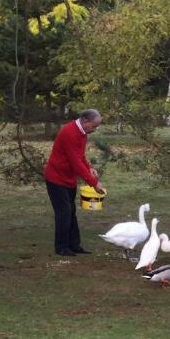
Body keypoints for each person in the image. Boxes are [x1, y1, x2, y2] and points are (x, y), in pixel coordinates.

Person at [43, 108, 106, 256]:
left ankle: (74, 245)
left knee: (71, 212)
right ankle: (61, 248)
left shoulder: (82, 133)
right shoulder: (69, 133)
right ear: (85, 121)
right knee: (64, 213)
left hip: (68, 179)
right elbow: (75, 162)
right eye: (94, 126)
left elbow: (80, 156)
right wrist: (94, 183)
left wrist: (89, 168)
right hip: (56, 179)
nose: (94, 129)